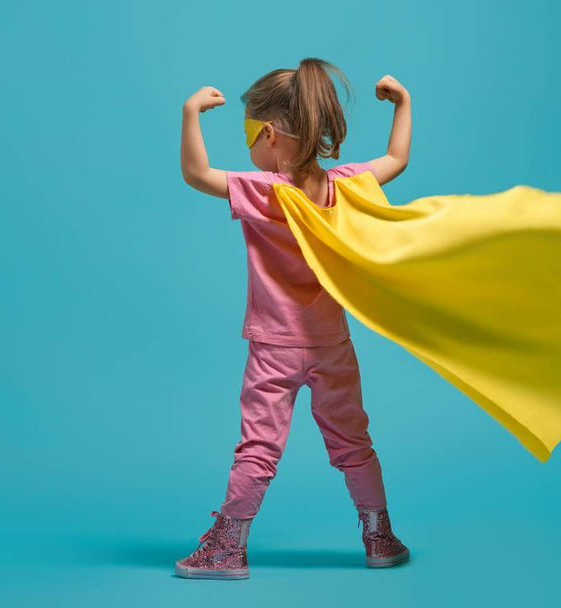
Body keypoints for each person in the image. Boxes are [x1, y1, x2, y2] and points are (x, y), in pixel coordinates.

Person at [175, 58, 412, 580]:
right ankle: (379, 536)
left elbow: (195, 173)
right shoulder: (345, 186)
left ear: (267, 133)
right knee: (353, 442)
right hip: (332, 343)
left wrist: (191, 112)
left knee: (258, 447)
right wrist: (403, 103)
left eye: (247, 135)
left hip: (273, 347)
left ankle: (227, 548)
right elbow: (397, 158)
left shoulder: (263, 191)